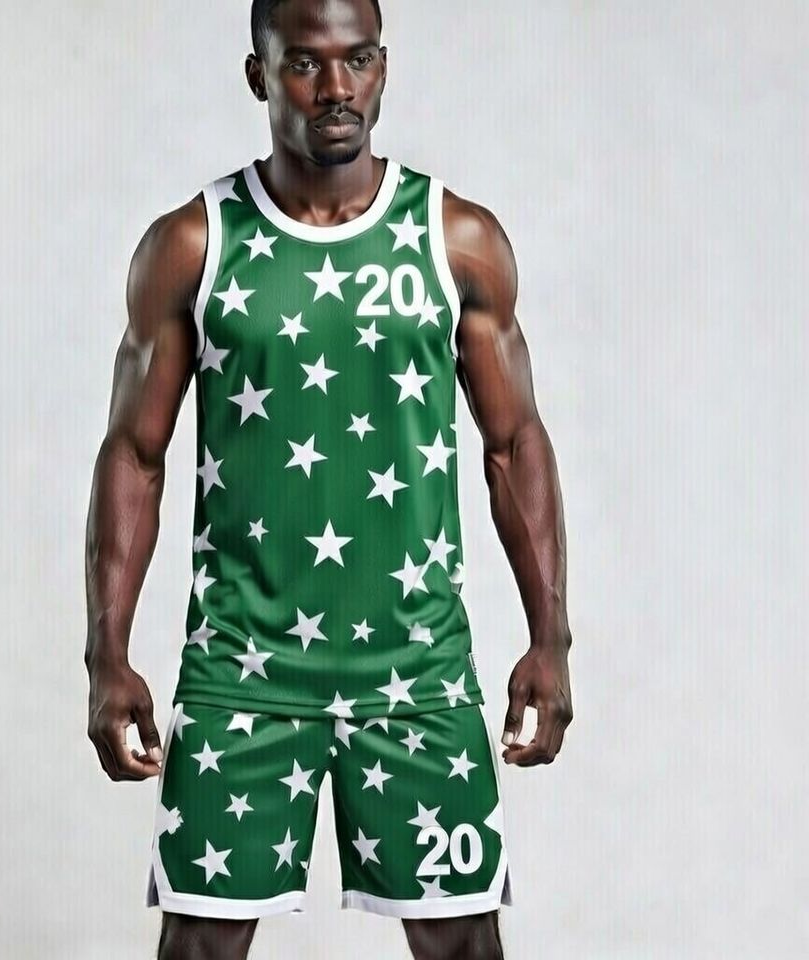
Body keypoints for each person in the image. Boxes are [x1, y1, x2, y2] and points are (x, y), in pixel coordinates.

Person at [84, 1, 573, 956]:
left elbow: (516, 444)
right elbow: (133, 455)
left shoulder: (456, 239)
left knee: (464, 945)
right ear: (259, 75)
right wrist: (106, 656)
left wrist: (550, 639)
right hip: (242, 672)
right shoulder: (193, 245)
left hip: (417, 669)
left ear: (383, 67)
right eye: (305, 63)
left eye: (359, 59)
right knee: (199, 947)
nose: (337, 87)